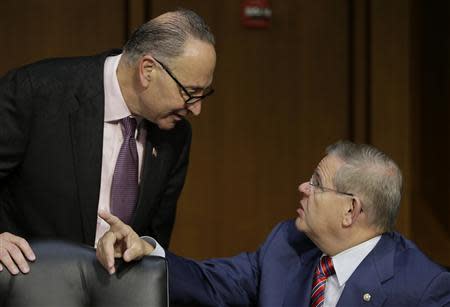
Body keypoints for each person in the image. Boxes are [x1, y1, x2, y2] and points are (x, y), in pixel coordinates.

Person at [97, 140, 450, 306]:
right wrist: (148, 250)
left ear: (350, 211)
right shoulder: (287, 246)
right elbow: (211, 283)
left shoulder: (423, 288)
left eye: (316, 182)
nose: (302, 188)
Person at [0, 8, 216, 275]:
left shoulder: (176, 135)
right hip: (26, 287)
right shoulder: (35, 92)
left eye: (203, 94)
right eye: (190, 92)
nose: (196, 110)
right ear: (147, 70)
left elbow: (155, 242)